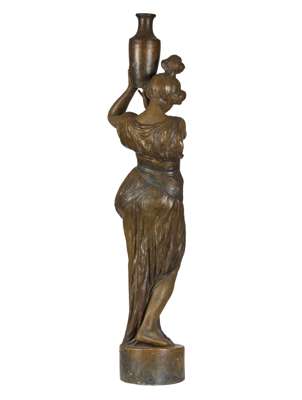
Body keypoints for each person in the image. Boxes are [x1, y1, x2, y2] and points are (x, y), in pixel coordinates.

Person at [108, 56, 187, 347]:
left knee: (140, 260)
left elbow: (113, 116)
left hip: (136, 194)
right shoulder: (176, 126)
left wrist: (131, 88)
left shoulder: (131, 125)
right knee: (169, 265)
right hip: (165, 198)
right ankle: (149, 325)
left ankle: (142, 324)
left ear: (148, 94)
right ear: (168, 100)